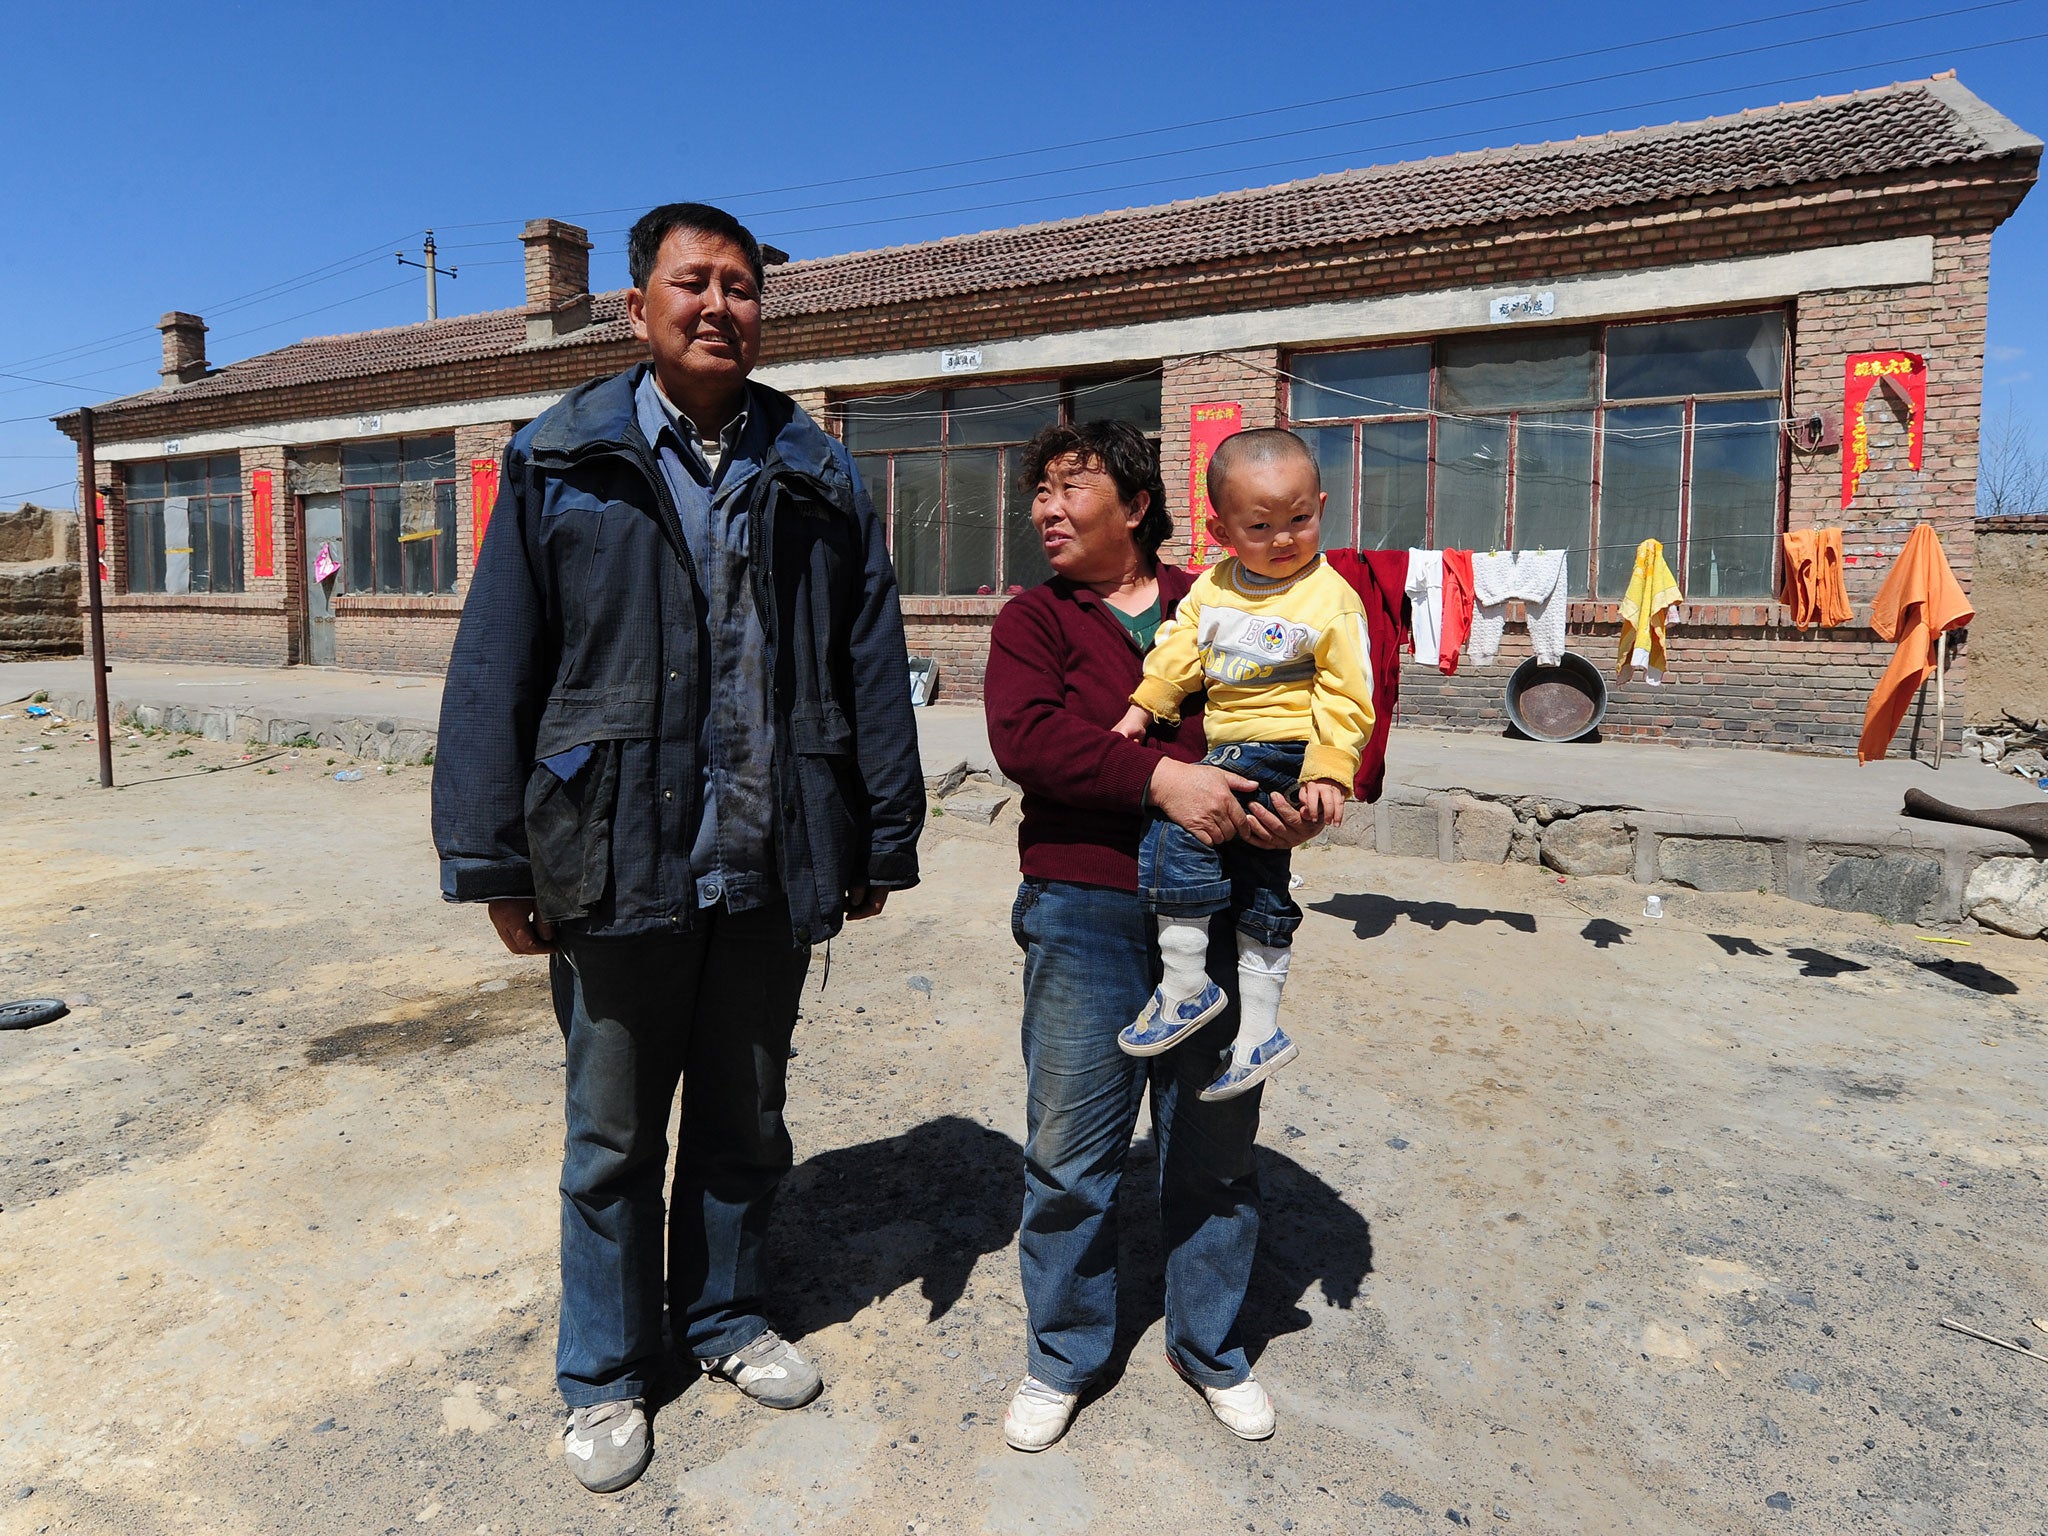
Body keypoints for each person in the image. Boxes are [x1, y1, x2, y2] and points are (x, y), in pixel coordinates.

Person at [430, 202, 924, 1494]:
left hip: (768, 845)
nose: (720, 306)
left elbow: (869, 655)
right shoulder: (562, 457)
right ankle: (604, 1371)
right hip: (612, 848)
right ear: (637, 309)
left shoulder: (814, 468)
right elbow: (496, 663)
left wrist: (880, 831)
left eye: (742, 287)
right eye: (692, 283)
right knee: (610, 1141)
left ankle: (724, 1318)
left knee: (746, 1120)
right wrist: (491, 859)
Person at [983, 419, 1317, 1454]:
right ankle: (1064, 1352)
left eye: (1067, 487)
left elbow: (1299, 703)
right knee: (1070, 1149)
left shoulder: (1218, 602)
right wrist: (1160, 777)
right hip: (1080, 909)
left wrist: (1303, 798)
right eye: (1038, 491)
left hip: (1218, 903)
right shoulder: (1032, 618)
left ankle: (1207, 1343)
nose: (1043, 507)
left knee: (1210, 1143)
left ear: (1132, 506)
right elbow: (1025, 738)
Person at [1112, 428, 1373, 1099]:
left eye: (1299, 520)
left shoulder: (1332, 599)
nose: (1283, 539)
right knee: (1260, 877)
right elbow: (1178, 655)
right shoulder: (1211, 590)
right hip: (1229, 750)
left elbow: (1347, 697)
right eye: (1260, 525)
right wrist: (1144, 709)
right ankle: (1261, 1031)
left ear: (1320, 504)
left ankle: (1186, 985)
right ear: (1221, 529)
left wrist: (1328, 773)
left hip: (1284, 750)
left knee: (1179, 832)